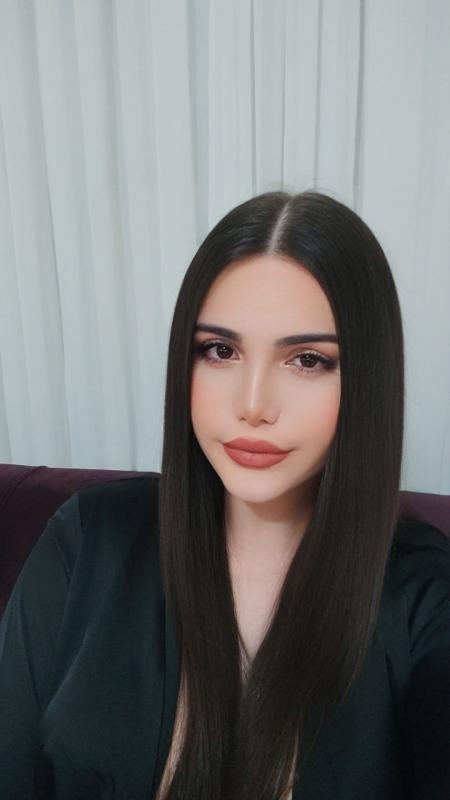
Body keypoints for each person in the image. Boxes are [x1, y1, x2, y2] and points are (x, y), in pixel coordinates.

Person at [0, 190, 449, 800]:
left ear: (368, 380)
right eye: (220, 350)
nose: (253, 404)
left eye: (308, 359)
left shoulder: (425, 600)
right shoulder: (86, 538)